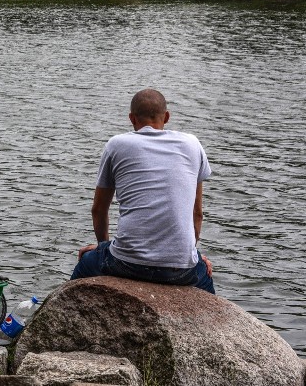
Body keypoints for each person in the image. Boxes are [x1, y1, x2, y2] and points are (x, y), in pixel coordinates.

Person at [70, 89, 215, 294]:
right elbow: (197, 214)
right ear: (166, 117)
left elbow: (98, 210)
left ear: (132, 118)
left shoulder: (117, 144)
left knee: (85, 263)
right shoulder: (192, 144)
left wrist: (104, 248)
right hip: (181, 271)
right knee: (206, 279)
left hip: (125, 264)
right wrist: (190, 254)